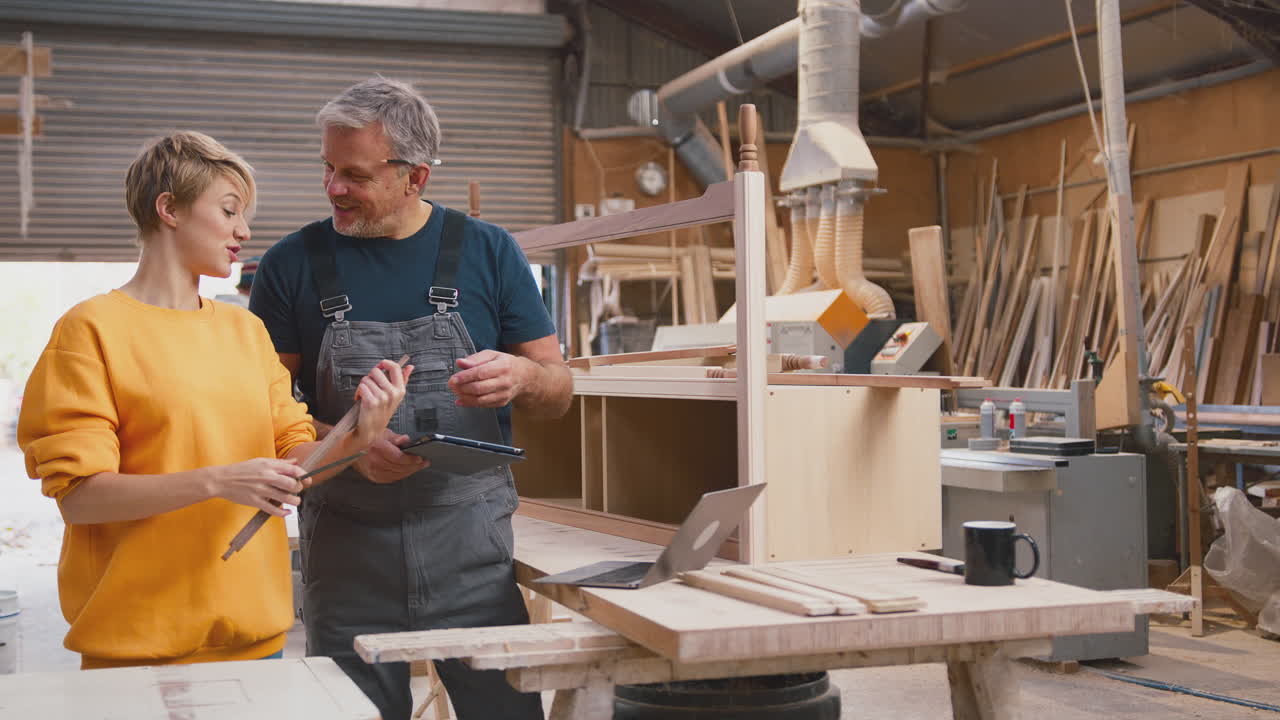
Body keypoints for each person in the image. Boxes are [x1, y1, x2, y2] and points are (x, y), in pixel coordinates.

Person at [17, 131, 411, 670]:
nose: (243, 231)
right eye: (228, 211)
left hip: (256, 636)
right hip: (139, 646)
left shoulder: (244, 331)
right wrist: (219, 481)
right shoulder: (90, 331)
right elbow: (81, 498)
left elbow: (297, 464)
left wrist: (360, 430)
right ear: (168, 209)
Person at [250, 77, 572, 720]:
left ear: (415, 177)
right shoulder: (290, 265)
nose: (334, 187)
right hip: (346, 557)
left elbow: (558, 389)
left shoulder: (489, 251)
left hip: (471, 552)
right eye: (328, 168)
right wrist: (352, 445)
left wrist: (523, 377)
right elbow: (261, 415)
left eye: (355, 174)